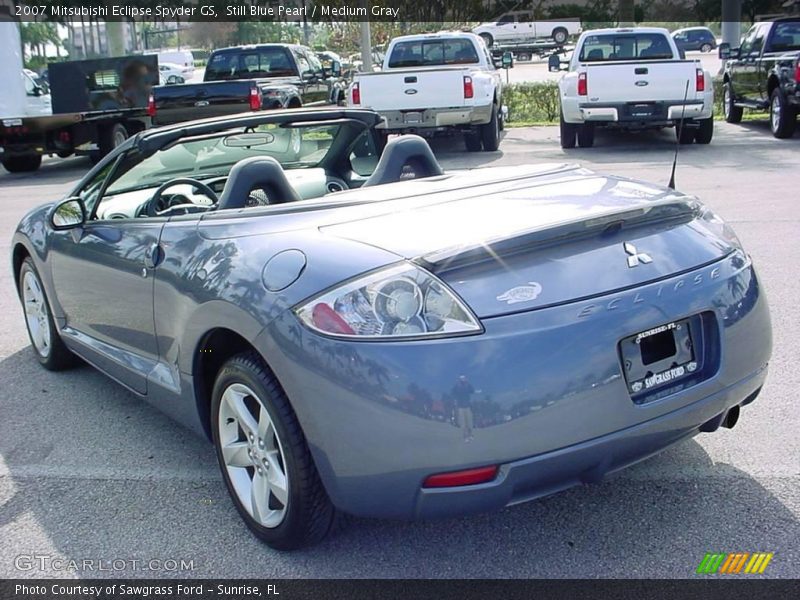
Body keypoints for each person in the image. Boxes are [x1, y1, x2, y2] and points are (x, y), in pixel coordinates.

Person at [451, 375, 475, 441]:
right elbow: (452, 393)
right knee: (463, 423)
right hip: (460, 407)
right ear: (459, 379)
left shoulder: (468, 385)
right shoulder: (457, 386)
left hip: (467, 406)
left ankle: (470, 435)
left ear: (465, 379)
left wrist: (469, 384)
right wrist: (455, 400)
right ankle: (465, 436)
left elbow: (472, 391)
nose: (463, 379)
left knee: (469, 421)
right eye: (461, 378)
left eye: (464, 378)